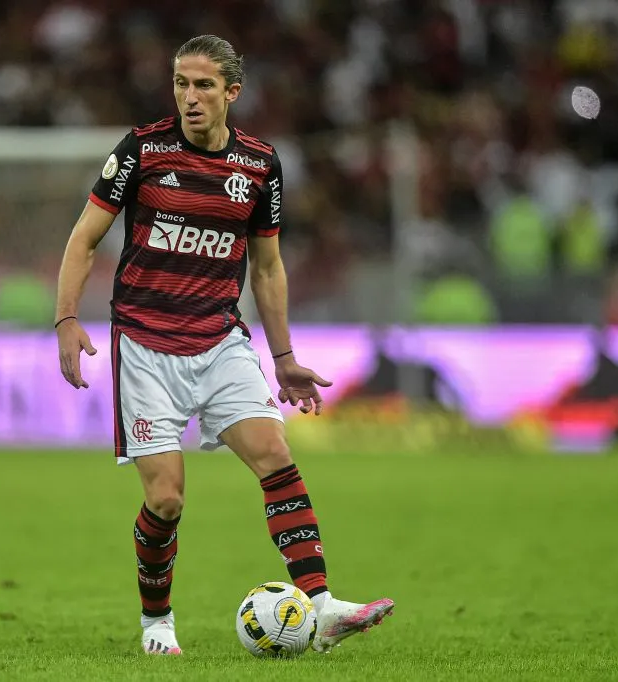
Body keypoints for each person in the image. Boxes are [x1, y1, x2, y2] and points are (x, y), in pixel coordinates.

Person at [54, 34, 394, 655]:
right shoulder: (141, 151)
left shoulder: (260, 166)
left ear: (233, 92)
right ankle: (158, 624)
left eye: (204, 85)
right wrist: (67, 319)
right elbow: (83, 239)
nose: (190, 96)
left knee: (274, 454)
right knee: (167, 497)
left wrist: (285, 359)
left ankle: (319, 609)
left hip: (218, 339)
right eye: (181, 83)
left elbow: (267, 268)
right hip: (146, 343)